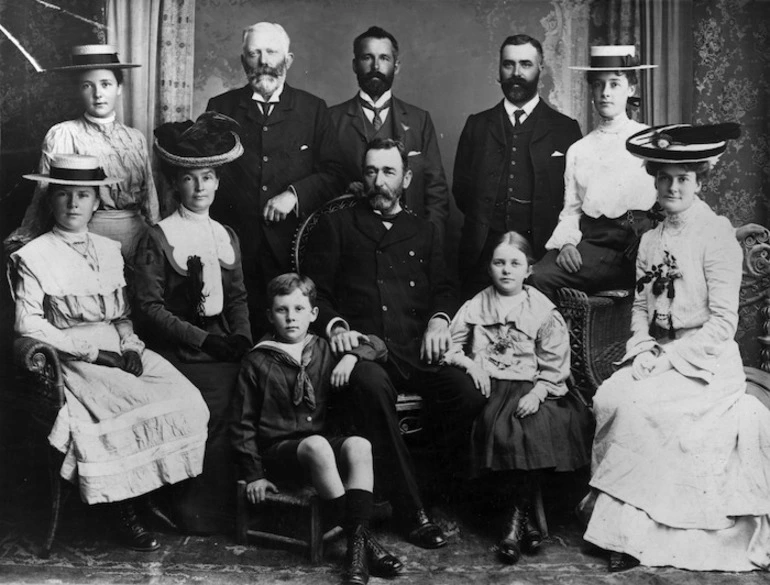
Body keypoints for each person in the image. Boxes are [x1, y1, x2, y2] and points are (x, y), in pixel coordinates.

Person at [582, 123, 770, 572]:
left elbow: (724, 323)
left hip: (705, 363)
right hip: (659, 353)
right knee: (611, 396)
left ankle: (632, 536)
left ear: (699, 180)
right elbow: (640, 308)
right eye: (664, 177)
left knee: (641, 408)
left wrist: (667, 358)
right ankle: (616, 524)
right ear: (654, 178)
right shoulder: (650, 240)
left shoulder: (716, 234)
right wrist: (643, 349)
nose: (672, 186)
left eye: (683, 178)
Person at [9, 154, 209, 552]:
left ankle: (146, 491)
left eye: (83, 195)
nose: (73, 204)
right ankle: (123, 513)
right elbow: (27, 324)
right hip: (69, 353)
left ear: (96, 202)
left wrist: (130, 346)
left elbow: (120, 315)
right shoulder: (33, 255)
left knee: (187, 399)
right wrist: (94, 354)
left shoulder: (109, 249)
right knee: (125, 405)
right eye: (64, 195)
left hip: (118, 346)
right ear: (51, 201)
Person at [303, 137, 487, 550]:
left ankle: (431, 487)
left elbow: (444, 288)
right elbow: (319, 294)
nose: (378, 181)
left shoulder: (425, 230)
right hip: (364, 351)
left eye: (388, 172)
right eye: (371, 171)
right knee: (370, 388)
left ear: (405, 178)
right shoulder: (338, 225)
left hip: (416, 349)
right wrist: (336, 327)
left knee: (466, 392)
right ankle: (411, 511)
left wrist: (440, 321)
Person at [232, 273, 403, 585]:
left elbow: (378, 347)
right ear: (270, 315)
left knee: (358, 445)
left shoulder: (323, 348)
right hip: (281, 453)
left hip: (321, 453)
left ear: (313, 314)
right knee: (317, 445)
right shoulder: (257, 360)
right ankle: (362, 546)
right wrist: (254, 474)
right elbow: (242, 424)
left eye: (299, 310)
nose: (291, 318)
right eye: (282, 310)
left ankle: (356, 548)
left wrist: (351, 357)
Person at [132, 112, 252, 534]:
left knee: (254, 387)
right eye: (189, 179)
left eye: (207, 177)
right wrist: (206, 341)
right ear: (175, 183)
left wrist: (241, 340)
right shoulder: (158, 236)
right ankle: (193, 509)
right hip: (179, 350)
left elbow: (236, 296)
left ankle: (240, 504)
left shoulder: (226, 235)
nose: (199, 188)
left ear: (218, 182)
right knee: (212, 403)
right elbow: (150, 309)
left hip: (222, 344)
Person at [442, 231, 593, 564]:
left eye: (515, 263)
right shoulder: (476, 305)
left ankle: (512, 526)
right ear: (489, 268)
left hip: (534, 386)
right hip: (494, 386)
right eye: (499, 263)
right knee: (501, 428)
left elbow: (556, 365)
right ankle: (523, 525)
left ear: (528, 270)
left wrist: (539, 393)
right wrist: (470, 365)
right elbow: (450, 347)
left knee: (532, 425)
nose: (506, 270)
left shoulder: (542, 309)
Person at [205, 22, 346, 337]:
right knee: (239, 337)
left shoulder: (313, 109)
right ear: (244, 62)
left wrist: (295, 195)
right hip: (235, 249)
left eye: (271, 52)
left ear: (289, 59)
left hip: (295, 250)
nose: (263, 61)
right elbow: (208, 173)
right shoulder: (221, 108)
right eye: (254, 53)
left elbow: (336, 173)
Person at [453, 34, 582, 298]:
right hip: (482, 256)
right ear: (499, 70)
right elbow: (462, 191)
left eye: (525, 64)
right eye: (508, 65)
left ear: (540, 70)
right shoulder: (477, 125)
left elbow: (576, 197)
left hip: (542, 255)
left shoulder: (565, 129)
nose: (516, 73)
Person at [6, 45, 159, 262]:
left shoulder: (135, 138)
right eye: (88, 85)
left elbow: (150, 196)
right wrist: (27, 236)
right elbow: (43, 195)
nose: (98, 94)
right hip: (86, 234)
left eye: (106, 84)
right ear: (78, 90)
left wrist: (159, 237)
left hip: (138, 237)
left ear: (119, 88)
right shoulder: (63, 134)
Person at [529, 46, 658, 299]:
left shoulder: (650, 140)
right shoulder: (579, 149)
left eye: (614, 84)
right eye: (598, 85)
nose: (605, 93)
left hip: (639, 243)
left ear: (631, 88)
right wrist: (567, 243)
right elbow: (572, 209)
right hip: (596, 242)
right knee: (536, 277)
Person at [329, 26, 449, 242]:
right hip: (353, 243)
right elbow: (322, 182)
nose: (376, 66)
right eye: (367, 57)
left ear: (396, 66)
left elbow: (436, 192)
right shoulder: (332, 119)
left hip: (409, 243)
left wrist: (431, 244)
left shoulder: (419, 120)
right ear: (355, 65)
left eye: (384, 58)